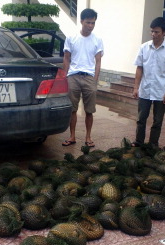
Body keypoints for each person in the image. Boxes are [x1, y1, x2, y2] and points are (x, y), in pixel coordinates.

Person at [132, 17, 165, 147]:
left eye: (157, 32)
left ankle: (153, 144)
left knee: (157, 121)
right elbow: (139, 68)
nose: (154, 34)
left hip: (160, 90)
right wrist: (136, 88)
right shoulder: (144, 47)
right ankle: (138, 142)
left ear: (164, 32)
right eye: (152, 31)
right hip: (145, 89)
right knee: (141, 119)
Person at [61, 8, 104, 148]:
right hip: (73, 76)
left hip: (89, 77)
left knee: (89, 110)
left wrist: (95, 79)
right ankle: (72, 136)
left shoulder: (97, 40)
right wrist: (65, 76)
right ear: (81, 21)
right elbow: (66, 58)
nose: (90, 26)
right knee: (72, 109)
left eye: (93, 23)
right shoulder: (71, 38)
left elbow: (98, 61)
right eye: (88, 22)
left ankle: (88, 137)